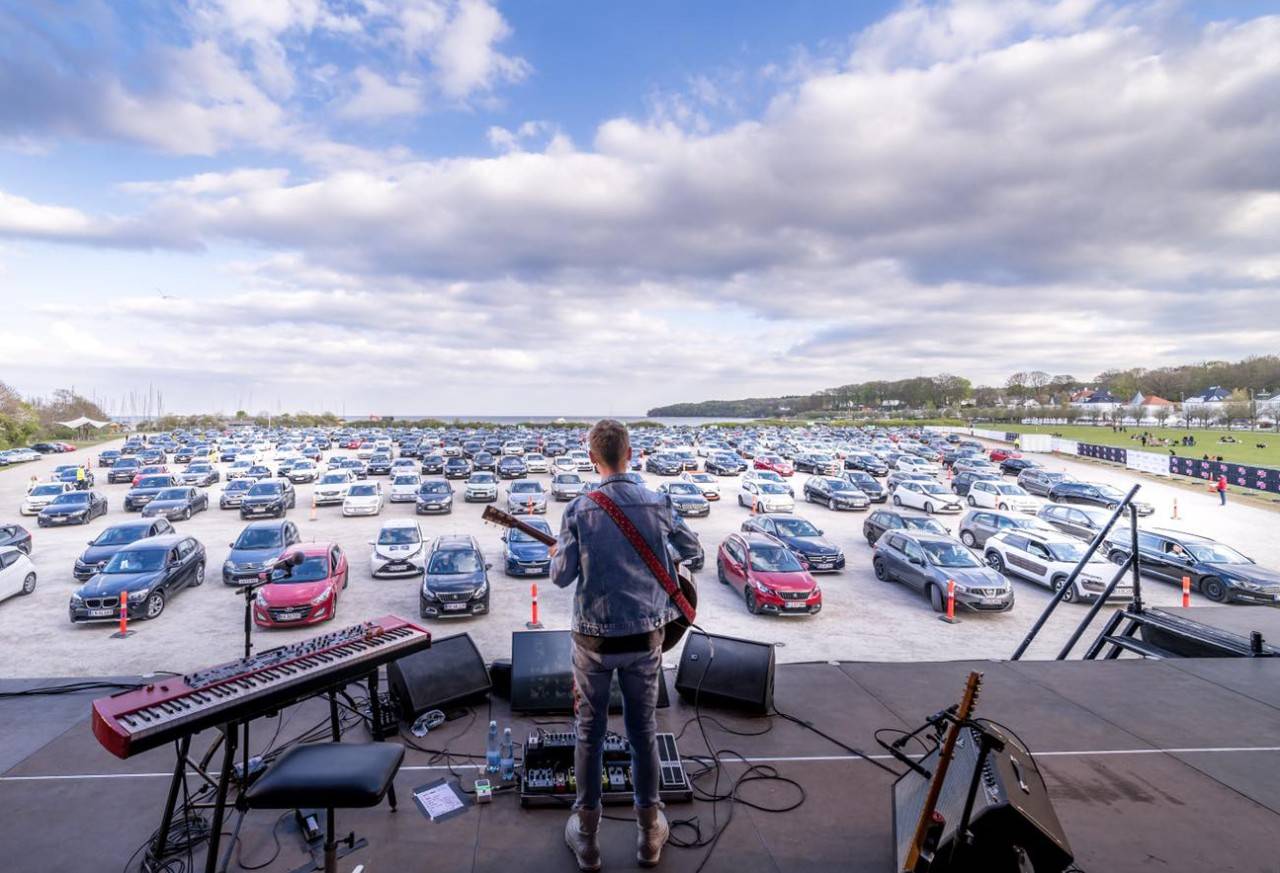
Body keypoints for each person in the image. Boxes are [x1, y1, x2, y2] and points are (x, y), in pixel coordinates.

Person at [550, 419, 701, 871]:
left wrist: (560, 553)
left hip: (592, 641)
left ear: (593, 459)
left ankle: (589, 841)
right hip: (644, 639)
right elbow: (692, 551)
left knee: (589, 735)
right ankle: (648, 836)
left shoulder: (579, 509)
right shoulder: (658, 502)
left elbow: (561, 577)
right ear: (629, 453)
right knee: (643, 734)